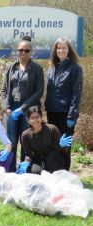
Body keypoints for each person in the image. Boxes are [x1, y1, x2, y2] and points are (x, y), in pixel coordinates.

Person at [0, 38, 44, 172]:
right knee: (11, 140)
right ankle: (10, 170)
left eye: (26, 50)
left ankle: (25, 170)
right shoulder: (10, 68)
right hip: (10, 111)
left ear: (31, 52)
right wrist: (6, 107)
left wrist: (22, 108)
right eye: (20, 50)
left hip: (27, 111)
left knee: (26, 140)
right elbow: (3, 91)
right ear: (17, 51)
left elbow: (39, 91)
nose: (23, 53)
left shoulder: (37, 68)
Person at [45, 37, 83, 170]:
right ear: (55, 51)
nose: (61, 50)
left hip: (66, 114)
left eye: (64, 48)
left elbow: (76, 93)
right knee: (54, 144)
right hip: (52, 112)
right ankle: (55, 172)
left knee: (65, 146)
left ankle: (65, 175)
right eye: (58, 48)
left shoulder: (75, 69)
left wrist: (72, 115)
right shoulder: (51, 68)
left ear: (69, 50)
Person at [17, 106, 72, 175]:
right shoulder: (25, 135)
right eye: (32, 118)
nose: (35, 120)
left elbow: (64, 151)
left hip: (54, 159)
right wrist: (26, 162)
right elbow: (29, 154)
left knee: (53, 158)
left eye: (37, 117)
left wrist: (62, 146)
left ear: (41, 117)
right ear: (28, 120)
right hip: (39, 160)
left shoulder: (52, 129)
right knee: (35, 172)